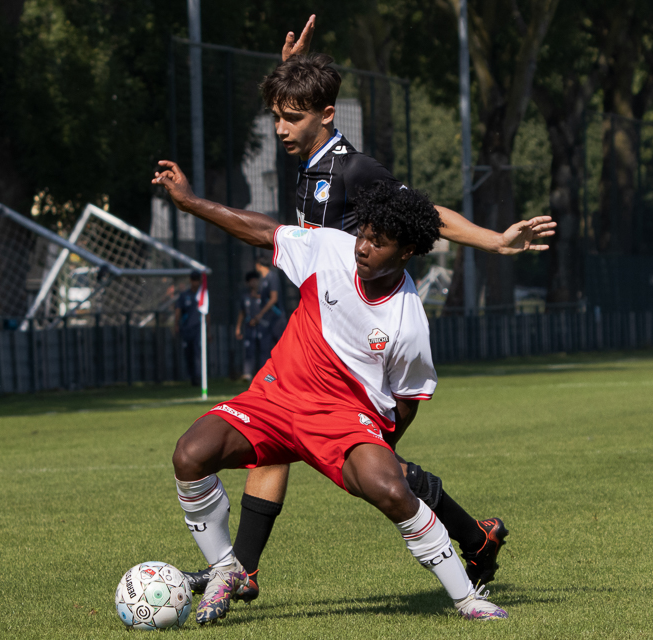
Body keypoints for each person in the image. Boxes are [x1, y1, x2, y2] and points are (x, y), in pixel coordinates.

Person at [183, 43, 558, 601]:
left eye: (292, 116)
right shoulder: (312, 164)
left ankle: (473, 537)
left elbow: (424, 215)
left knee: (380, 470)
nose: (280, 128)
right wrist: (294, 71)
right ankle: (243, 569)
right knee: (277, 438)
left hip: (363, 332)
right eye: (277, 116)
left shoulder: (354, 169)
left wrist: (495, 242)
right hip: (319, 324)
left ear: (326, 115)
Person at [155, 160, 509, 622]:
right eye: (362, 233)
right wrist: (189, 202)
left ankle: (467, 599)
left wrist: (378, 449)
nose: (362, 247)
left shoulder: (408, 322)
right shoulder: (328, 249)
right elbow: (263, 231)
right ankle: (228, 568)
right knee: (190, 454)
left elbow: (407, 400)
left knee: (391, 489)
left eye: (378, 242)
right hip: (275, 398)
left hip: (341, 420)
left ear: (406, 252)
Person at [174, 272, 206, 387]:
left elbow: (207, 313)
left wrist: (208, 331)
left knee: (197, 353)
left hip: (198, 329)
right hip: (186, 330)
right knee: (189, 354)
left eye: (198, 280)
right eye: (194, 280)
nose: (196, 283)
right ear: (190, 281)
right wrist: (176, 324)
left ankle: (198, 377)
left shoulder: (203, 296)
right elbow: (178, 311)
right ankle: (192, 377)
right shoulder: (184, 296)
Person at [235, 270, 263, 381]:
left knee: (264, 351)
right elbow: (241, 312)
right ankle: (247, 374)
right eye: (251, 281)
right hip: (249, 328)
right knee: (249, 351)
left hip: (262, 327)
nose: (254, 283)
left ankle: (264, 374)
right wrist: (238, 328)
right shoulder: (245, 296)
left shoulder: (264, 294)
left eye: (255, 280)